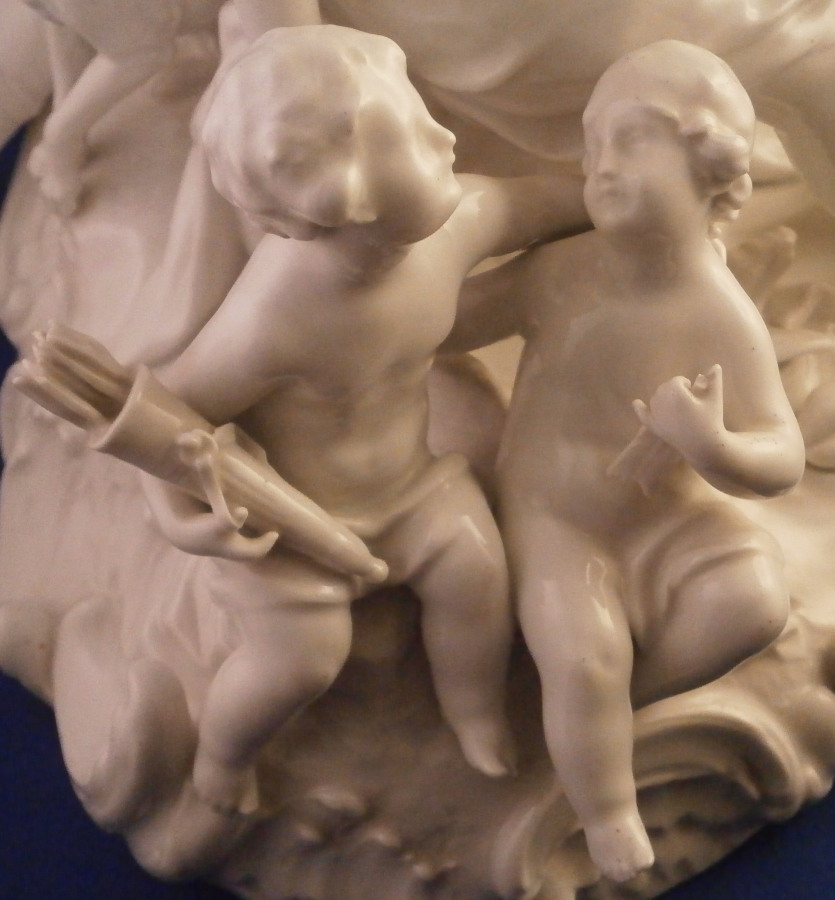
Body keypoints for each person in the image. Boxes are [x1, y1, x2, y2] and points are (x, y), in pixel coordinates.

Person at [138, 24, 589, 815]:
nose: (445, 136)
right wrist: (184, 519)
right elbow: (163, 417)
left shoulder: (457, 225)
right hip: (293, 520)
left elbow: (546, 204)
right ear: (337, 197)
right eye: (407, 133)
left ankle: (473, 713)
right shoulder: (272, 321)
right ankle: (222, 757)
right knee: (300, 663)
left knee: (476, 575)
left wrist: (635, 205)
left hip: (413, 489)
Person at [444, 40, 805, 882]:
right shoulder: (559, 272)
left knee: (752, 601)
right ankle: (605, 806)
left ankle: (606, 715)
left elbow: (779, 453)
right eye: (592, 142)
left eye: (632, 139)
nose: (601, 166)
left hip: (670, 518)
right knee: (584, 657)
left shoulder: (717, 313)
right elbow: (448, 323)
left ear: (709, 162)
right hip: (557, 517)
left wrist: (712, 446)